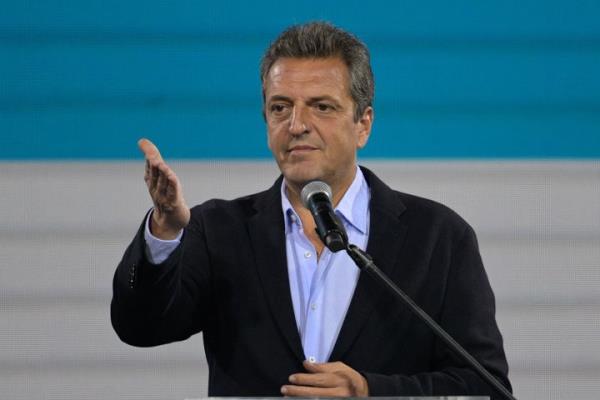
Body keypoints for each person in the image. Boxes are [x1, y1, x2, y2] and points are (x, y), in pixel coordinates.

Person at [111, 21, 512, 398]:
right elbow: (140, 327)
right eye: (280, 107)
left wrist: (371, 392)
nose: (297, 124)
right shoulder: (218, 229)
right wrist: (164, 232)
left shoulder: (438, 237)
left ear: (363, 125)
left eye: (321, 106)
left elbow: (486, 387)